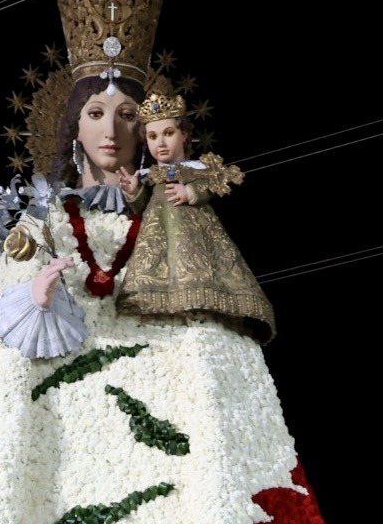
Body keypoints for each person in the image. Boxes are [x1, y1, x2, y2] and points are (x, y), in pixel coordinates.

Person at [114, 91, 276, 344]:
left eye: (168, 133)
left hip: (195, 236)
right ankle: (166, 323)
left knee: (197, 273)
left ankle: (203, 317)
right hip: (158, 239)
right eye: (153, 136)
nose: (161, 143)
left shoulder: (198, 169)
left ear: (184, 134)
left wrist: (190, 191)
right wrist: (133, 192)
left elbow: (216, 185)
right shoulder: (149, 175)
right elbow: (142, 207)